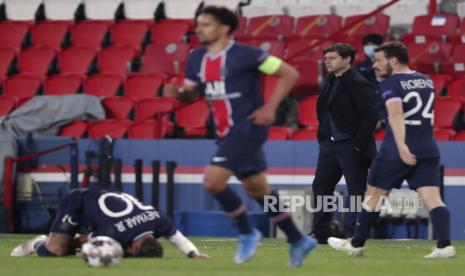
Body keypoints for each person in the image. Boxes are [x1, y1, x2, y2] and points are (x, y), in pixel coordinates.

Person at [163, 6, 317, 267]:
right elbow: (192, 94)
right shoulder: (195, 58)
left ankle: (247, 231)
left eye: (207, 24)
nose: (199, 29)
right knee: (257, 188)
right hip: (223, 133)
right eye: (199, 24)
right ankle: (298, 239)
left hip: (247, 127)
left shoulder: (248, 55)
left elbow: (289, 73)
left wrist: (270, 107)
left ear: (225, 28)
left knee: (212, 181)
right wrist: (178, 94)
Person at [328, 41, 457, 258]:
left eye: (378, 60)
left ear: (394, 60)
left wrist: (401, 146)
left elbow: (396, 114)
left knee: (374, 194)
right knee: (433, 198)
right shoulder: (426, 81)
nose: (374, 65)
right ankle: (444, 246)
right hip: (427, 147)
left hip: (396, 150)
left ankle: (356, 244)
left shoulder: (390, 84)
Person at [11, 187, 209, 259]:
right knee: (58, 251)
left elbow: (177, 238)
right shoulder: (114, 233)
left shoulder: (160, 221)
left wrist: (194, 254)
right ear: (133, 244)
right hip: (77, 201)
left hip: (102, 200)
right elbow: (83, 243)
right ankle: (38, 243)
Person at [311, 43, 378, 244]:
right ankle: (320, 232)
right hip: (329, 145)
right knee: (321, 187)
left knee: (356, 190)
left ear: (347, 59)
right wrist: (323, 137)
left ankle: (352, 233)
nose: (327, 61)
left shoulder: (359, 82)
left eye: (332, 58)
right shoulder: (329, 80)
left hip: (350, 145)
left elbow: (370, 116)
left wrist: (357, 145)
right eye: (326, 58)